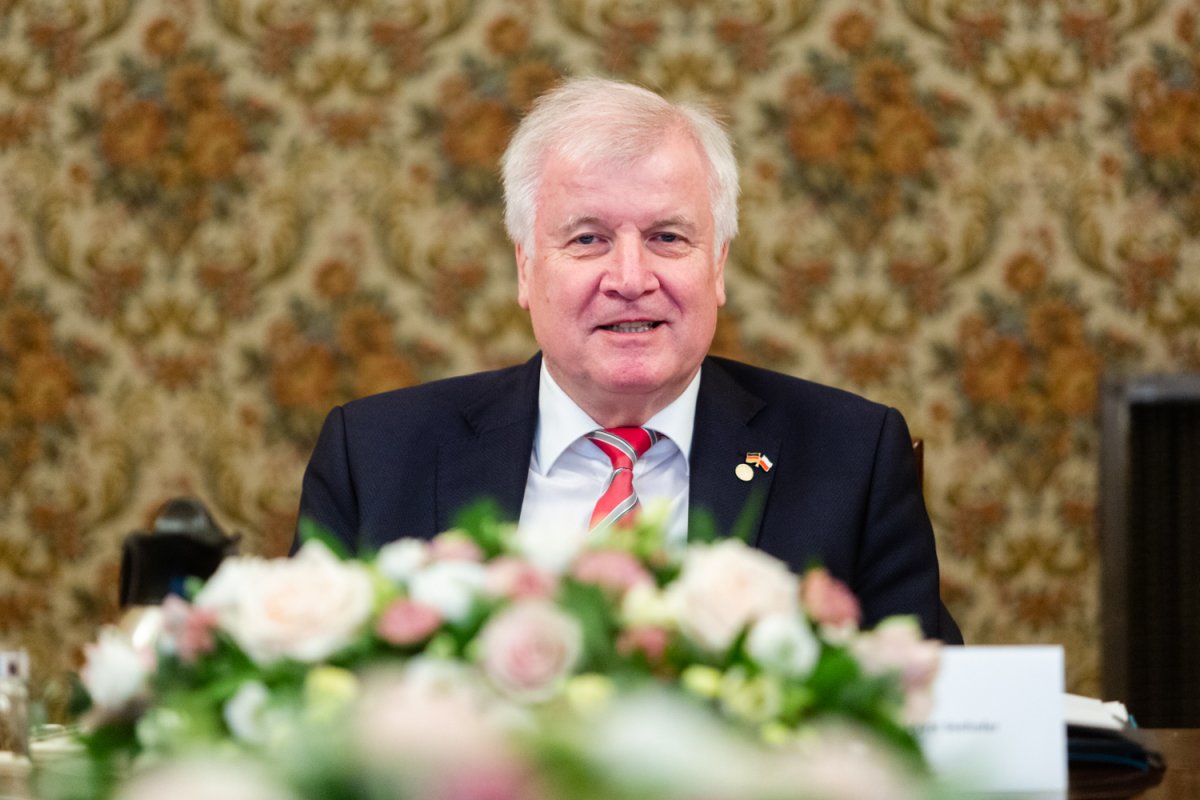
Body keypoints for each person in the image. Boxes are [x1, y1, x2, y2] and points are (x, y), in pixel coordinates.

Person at [297, 77, 962, 643]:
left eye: (667, 237)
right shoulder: (375, 456)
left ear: (718, 266)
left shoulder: (853, 456)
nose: (630, 278)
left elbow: (931, 713)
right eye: (588, 239)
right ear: (525, 268)